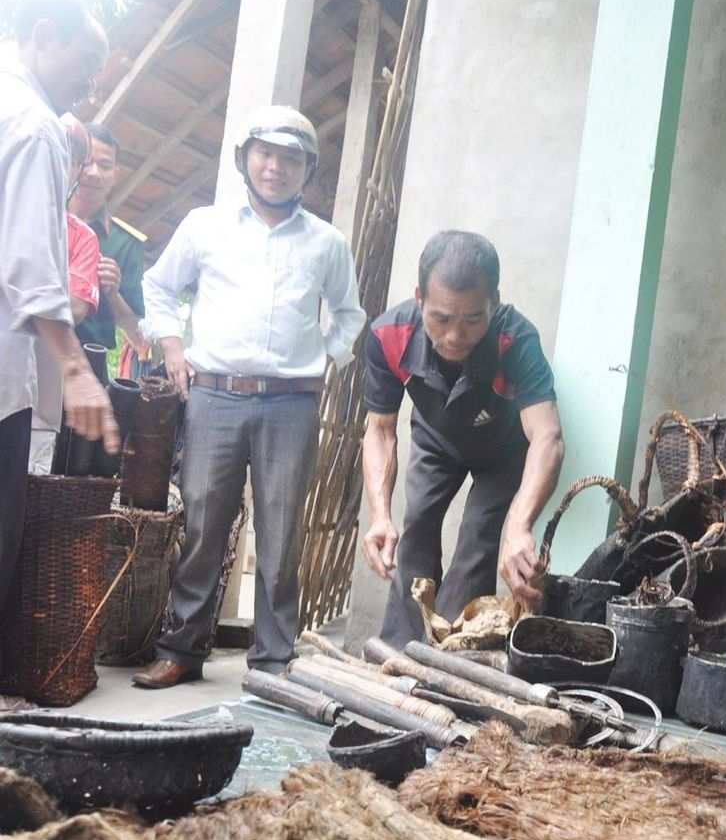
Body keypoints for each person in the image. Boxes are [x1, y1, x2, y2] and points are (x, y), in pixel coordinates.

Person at [133, 105, 366, 689]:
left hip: (290, 404)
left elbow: (349, 314)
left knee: (282, 531)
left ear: (306, 169)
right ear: (245, 159)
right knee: (204, 525)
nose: (276, 167)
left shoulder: (326, 243)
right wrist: (173, 348)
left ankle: (272, 661)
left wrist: (322, 362)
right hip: (214, 396)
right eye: (266, 153)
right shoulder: (205, 226)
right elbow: (159, 286)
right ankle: (182, 650)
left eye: (291, 158)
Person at [361, 230, 565, 648]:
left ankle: (450, 656)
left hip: (504, 453)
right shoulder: (388, 337)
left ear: (494, 301)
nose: (455, 335)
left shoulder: (517, 340)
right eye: (440, 318)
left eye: (473, 319)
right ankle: (399, 655)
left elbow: (547, 436)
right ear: (419, 299)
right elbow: (380, 430)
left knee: (479, 539)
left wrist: (519, 525)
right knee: (416, 525)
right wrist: (380, 514)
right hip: (436, 438)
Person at [0, 0, 118, 640]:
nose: (93, 78)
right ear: (44, 32)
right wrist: (75, 370)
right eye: (88, 57)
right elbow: (28, 266)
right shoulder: (34, 123)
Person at [29, 114, 101, 474]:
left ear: (77, 170)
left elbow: (75, 307)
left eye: (69, 158)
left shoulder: (81, 237)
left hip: (39, 398)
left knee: (22, 502)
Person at [69, 122, 148, 373]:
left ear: (116, 174)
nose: (93, 173)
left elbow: (135, 329)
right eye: (87, 161)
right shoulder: (41, 218)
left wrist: (113, 293)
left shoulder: (125, 242)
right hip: (28, 349)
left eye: (104, 165)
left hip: (89, 364)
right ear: (72, 163)